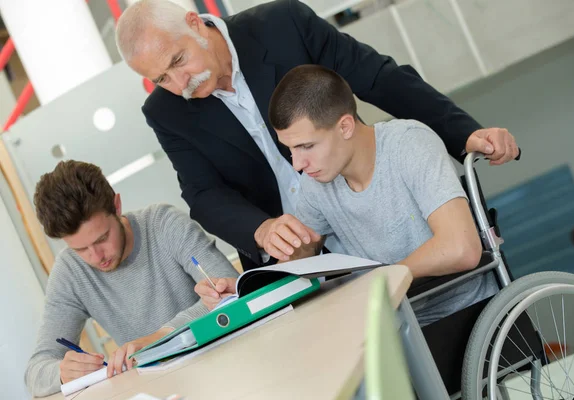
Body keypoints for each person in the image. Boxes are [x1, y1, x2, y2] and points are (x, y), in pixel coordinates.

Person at [115, 0, 519, 273]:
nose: (179, 83)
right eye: (161, 79)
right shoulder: (165, 113)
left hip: (374, 231)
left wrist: (463, 133)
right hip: (295, 258)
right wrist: (262, 230)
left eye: (178, 62)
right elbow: (202, 194)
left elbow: (376, 76)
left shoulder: (281, 25)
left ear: (194, 24)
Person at [264, 64, 494, 325]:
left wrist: (383, 280)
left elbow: (461, 248)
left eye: (307, 146)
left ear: (346, 127)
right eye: (291, 150)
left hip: (467, 315)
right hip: (396, 327)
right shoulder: (316, 183)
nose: (297, 164)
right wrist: (249, 288)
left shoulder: (409, 144)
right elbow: (302, 254)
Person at [25, 161, 238, 397]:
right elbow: (35, 372)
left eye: (102, 238)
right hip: (160, 391)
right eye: (80, 249)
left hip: (224, 366)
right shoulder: (70, 272)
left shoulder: (164, 224)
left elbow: (233, 291)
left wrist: (161, 337)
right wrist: (62, 372)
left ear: (117, 207)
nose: (96, 257)